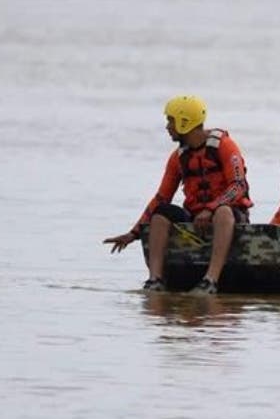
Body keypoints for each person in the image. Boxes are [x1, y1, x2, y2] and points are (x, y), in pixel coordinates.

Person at [103, 95, 253, 293]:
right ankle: (155, 280)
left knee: (223, 211)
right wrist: (134, 233)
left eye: (170, 120)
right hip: (195, 216)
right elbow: (161, 197)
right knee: (161, 212)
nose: (167, 127)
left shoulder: (225, 146)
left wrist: (211, 208)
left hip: (228, 215)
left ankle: (210, 281)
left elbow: (238, 185)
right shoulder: (178, 157)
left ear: (185, 122)